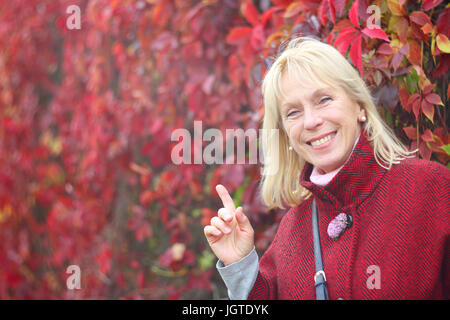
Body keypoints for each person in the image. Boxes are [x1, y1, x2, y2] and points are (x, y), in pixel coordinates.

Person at [204, 37, 450, 299]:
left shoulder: (431, 190)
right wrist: (241, 267)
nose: (311, 121)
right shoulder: (292, 230)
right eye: (293, 112)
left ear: (360, 106)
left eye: (324, 100)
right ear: (286, 135)